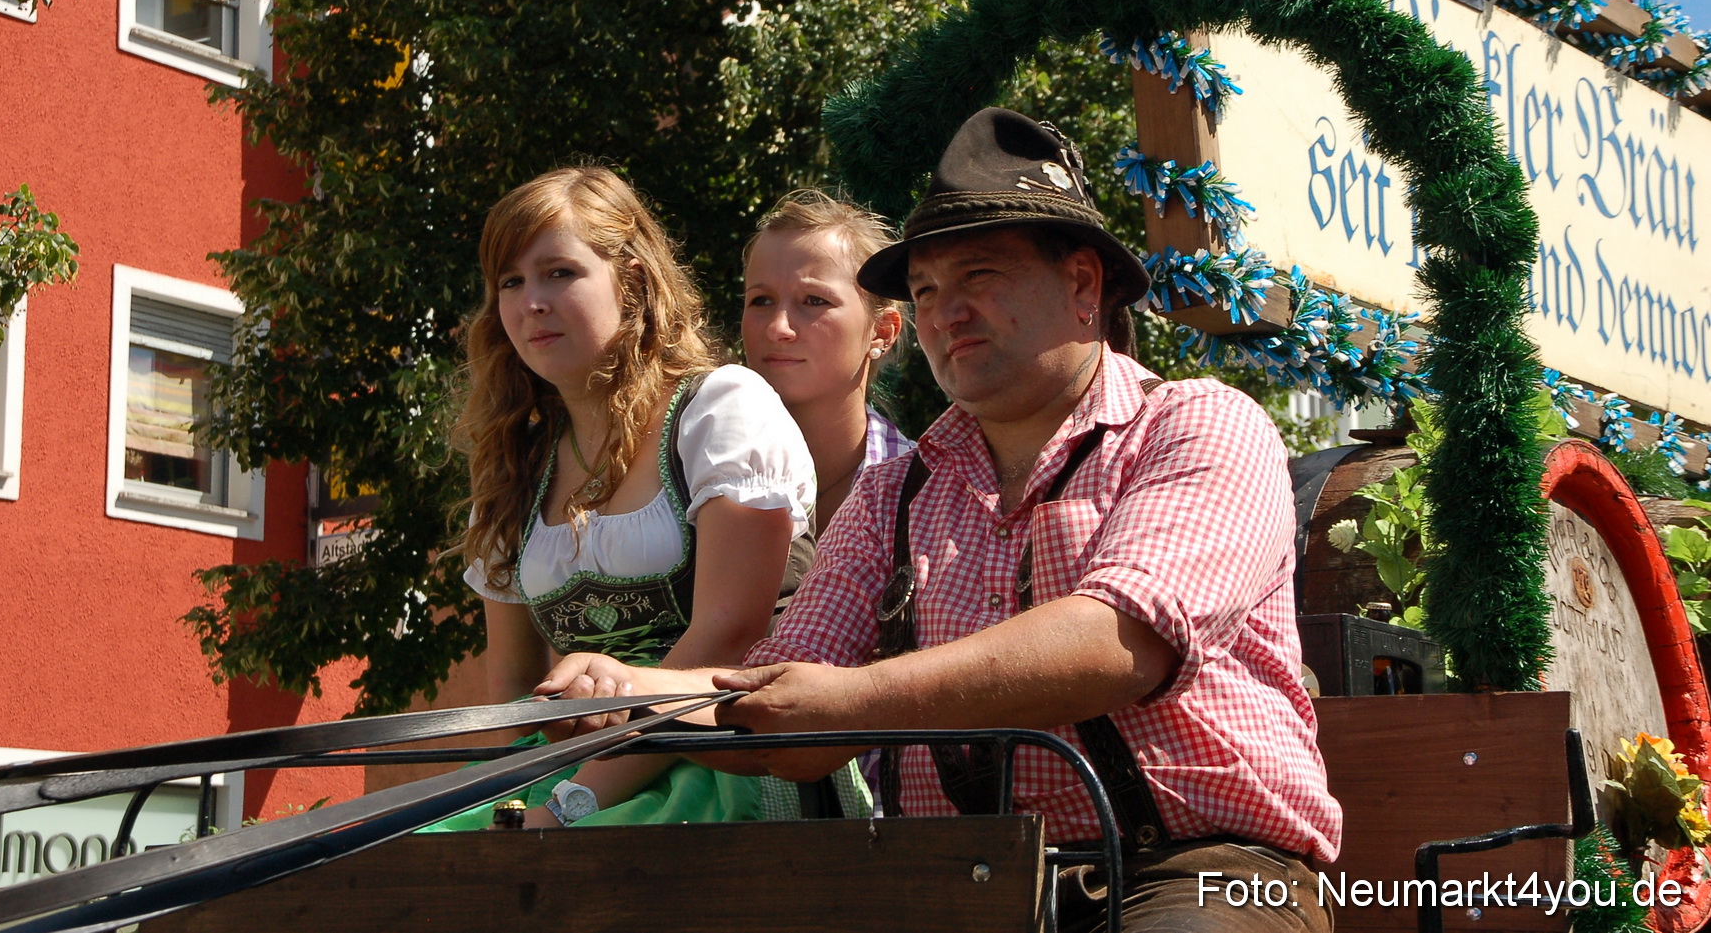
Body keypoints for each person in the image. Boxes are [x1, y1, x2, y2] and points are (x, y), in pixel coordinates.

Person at [540, 109, 1341, 930]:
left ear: (1083, 286)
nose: (945, 310)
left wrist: (848, 701)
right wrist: (637, 693)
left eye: (981, 276)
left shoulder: (1198, 423)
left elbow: (1115, 644)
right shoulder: (891, 496)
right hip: (956, 888)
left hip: (1195, 872)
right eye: (925, 289)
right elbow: (775, 705)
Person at [431, 165, 863, 830]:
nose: (530, 301)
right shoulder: (515, 463)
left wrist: (571, 805)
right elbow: (518, 693)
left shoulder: (719, 409)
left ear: (632, 279)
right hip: (568, 779)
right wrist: (521, 807)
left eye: (559, 272)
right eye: (510, 282)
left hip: (724, 766)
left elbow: (730, 638)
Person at [740, 190, 914, 539]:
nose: (778, 328)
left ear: (882, 331)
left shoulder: (924, 493)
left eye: (814, 300)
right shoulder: (689, 467)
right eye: (761, 300)